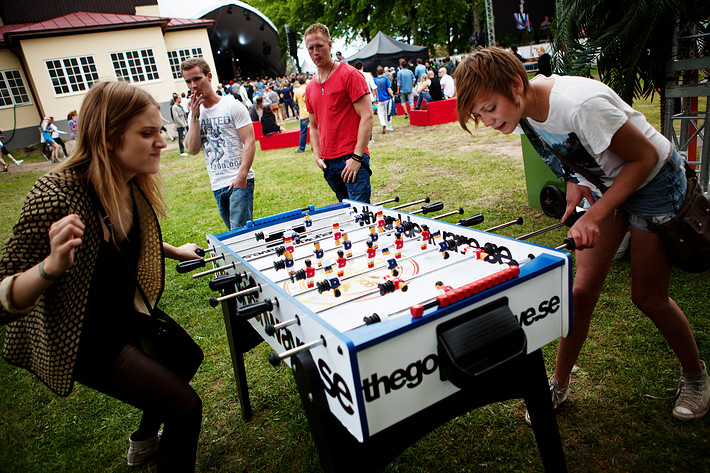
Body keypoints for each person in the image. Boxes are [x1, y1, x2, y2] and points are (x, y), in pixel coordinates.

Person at [454, 47, 710, 422]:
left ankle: (696, 375)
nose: (489, 121)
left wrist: (597, 216)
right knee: (579, 291)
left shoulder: (579, 104)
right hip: (609, 183)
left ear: (515, 85)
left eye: (490, 109)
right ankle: (557, 383)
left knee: (648, 298)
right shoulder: (524, 111)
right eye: (479, 115)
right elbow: (568, 150)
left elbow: (645, 159)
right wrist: (573, 180)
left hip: (654, 181)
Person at [0, 80, 203, 471]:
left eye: (160, 128)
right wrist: (50, 267)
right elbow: (5, 295)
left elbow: (114, 240)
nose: (162, 141)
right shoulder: (57, 194)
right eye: (147, 133)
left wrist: (174, 250)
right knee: (184, 407)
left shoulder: (127, 180)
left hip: (124, 314)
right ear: (109, 138)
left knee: (186, 358)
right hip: (85, 335)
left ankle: (144, 440)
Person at [181, 57, 256, 231]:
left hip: (239, 180)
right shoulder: (195, 113)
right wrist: (194, 116)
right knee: (234, 234)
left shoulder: (232, 105)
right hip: (217, 183)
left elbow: (249, 142)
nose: (193, 85)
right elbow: (192, 149)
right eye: (188, 81)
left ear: (208, 76)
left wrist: (242, 176)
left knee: (239, 234)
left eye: (197, 79)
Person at [304, 23, 373, 203]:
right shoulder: (310, 87)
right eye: (310, 48)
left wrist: (357, 157)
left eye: (319, 46)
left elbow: (367, 116)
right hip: (329, 163)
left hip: (351, 158)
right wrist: (317, 156)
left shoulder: (350, 75)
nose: (315, 52)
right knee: (347, 215)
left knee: (362, 216)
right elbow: (314, 126)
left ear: (330, 45)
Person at [373, 65, 394, 133]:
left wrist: (374, 98)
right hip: (387, 98)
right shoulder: (385, 79)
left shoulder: (374, 80)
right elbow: (389, 88)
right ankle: (389, 126)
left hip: (379, 99)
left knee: (380, 113)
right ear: (383, 72)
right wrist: (392, 95)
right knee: (388, 113)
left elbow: (373, 90)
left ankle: (383, 123)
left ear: (376, 72)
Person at [293, 75, 310, 153]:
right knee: (316, 130)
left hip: (303, 114)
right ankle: (315, 147)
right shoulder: (310, 87)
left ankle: (302, 148)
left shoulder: (297, 91)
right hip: (312, 112)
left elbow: (295, 101)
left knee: (303, 132)